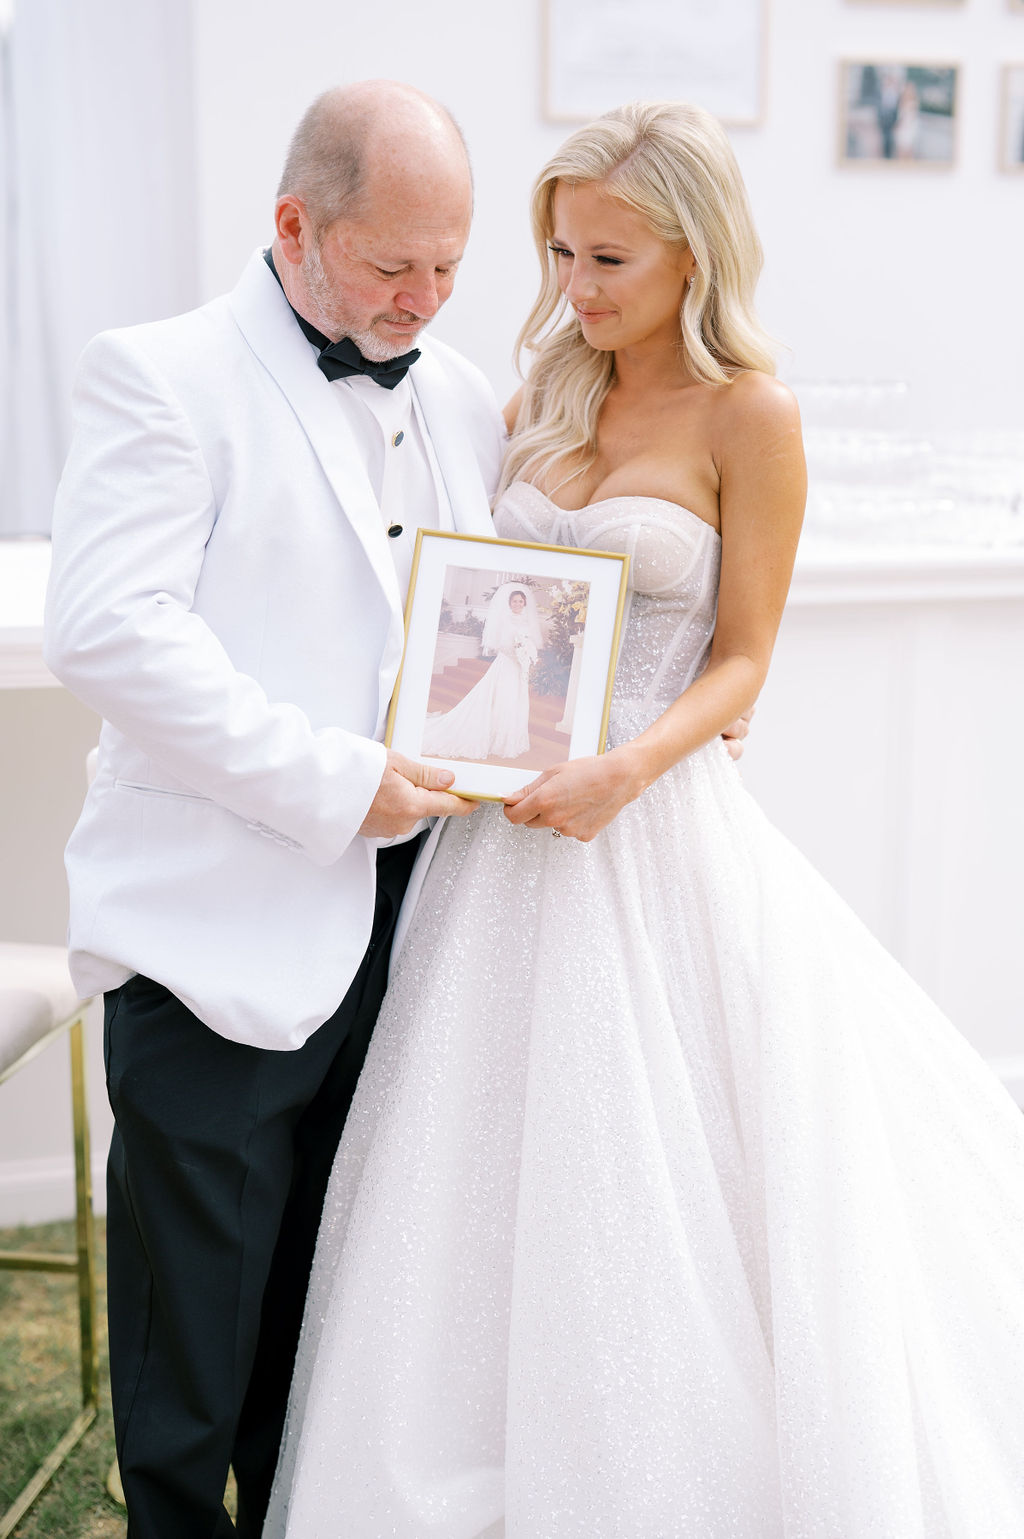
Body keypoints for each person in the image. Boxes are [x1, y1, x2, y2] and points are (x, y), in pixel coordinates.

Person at [265, 101, 1024, 1538]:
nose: (575, 287)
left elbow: (744, 659)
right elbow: (468, 601)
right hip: (499, 838)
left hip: (655, 832)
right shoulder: (536, 391)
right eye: (559, 252)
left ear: (696, 251)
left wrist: (631, 767)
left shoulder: (754, 415)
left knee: (672, 1173)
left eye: (608, 256)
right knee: (472, 1175)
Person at [43, 81, 505, 1539]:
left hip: (411, 941)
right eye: (392, 265)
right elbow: (110, 629)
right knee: (192, 1376)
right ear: (295, 225)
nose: (425, 300)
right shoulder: (161, 373)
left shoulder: (464, 393)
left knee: (331, 1343)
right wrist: (334, 780)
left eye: (450, 264)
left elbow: (483, 625)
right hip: (217, 943)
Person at [421, 584, 543, 760]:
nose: (517, 604)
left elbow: (531, 643)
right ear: (509, 603)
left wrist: (527, 655)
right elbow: (499, 643)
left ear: (524, 603)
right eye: (514, 601)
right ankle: (495, 738)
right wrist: (516, 653)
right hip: (507, 663)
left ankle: (511, 738)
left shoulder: (527, 622)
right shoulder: (504, 619)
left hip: (519, 667)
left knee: (515, 699)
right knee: (503, 698)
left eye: (520, 601)